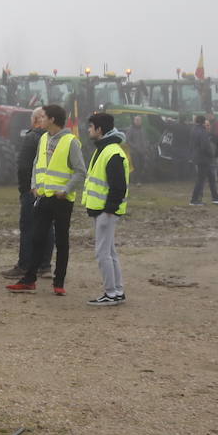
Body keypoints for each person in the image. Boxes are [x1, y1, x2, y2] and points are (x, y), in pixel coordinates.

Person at [7, 104, 86, 296]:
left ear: (52, 120)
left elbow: (80, 171)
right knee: (37, 238)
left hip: (62, 200)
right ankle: (29, 280)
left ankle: (59, 283)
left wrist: (66, 190)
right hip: (42, 198)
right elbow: (36, 165)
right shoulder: (43, 138)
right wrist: (34, 185)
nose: (40, 120)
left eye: (43, 117)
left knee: (62, 241)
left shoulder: (71, 142)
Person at [83, 112, 130, 306]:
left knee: (103, 253)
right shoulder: (105, 150)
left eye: (91, 126)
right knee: (110, 252)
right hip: (102, 210)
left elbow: (118, 186)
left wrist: (109, 209)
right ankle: (117, 291)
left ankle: (111, 293)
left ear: (99, 129)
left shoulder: (111, 152)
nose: (88, 130)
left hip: (106, 211)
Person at [2, 108, 53, 280]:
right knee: (47, 227)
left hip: (32, 190)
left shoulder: (31, 138)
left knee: (28, 228)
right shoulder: (55, 139)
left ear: (36, 120)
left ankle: (24, 265)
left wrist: (24, 189)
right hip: (50, 190)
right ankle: (45, 266)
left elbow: (23, 166)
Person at [189, 115, 218, 205]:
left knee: (211, 178)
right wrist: (211, 154)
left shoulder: (194, 130)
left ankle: (215, 198)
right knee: (201, 180)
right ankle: (194, 200)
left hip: (199, 158)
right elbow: (205, 146)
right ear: (203, 122)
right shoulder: (202, 131)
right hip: (204, 159)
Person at [124, 115, 151, 183]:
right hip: (134, 151)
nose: (138, 121)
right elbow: (128, 140)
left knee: (143, 164)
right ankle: (136, 180)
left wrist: (146, 146)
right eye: (137, 120)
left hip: (143, 151)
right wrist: (135, 146)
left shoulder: (142, 129)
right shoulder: (130, 129)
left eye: (139, 120)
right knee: (136, 166)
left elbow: (145, 139)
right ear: (134, 121)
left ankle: (140, 179)